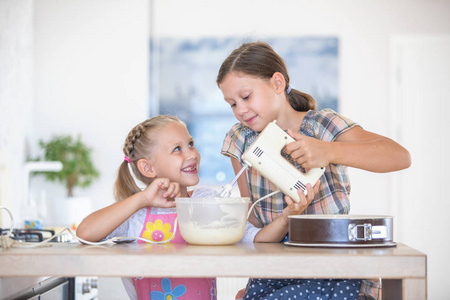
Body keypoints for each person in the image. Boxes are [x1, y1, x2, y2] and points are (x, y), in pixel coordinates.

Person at [216, 41, 411, 300]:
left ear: (277, 83)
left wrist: (329, 151)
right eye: (232, 103)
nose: (240, 110)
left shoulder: (322, 126)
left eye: (246, 96)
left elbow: (399, 156)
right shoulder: (239, 139)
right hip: (273, 268)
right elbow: (251, 217)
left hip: (333, 263)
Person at [76, 115, 217, 300]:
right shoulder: (136, 217)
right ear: (148, 168)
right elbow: (85, 233)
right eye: (177, 149)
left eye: (190, 144)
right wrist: (141, 199)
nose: (192, 154)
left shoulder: (205, 201)